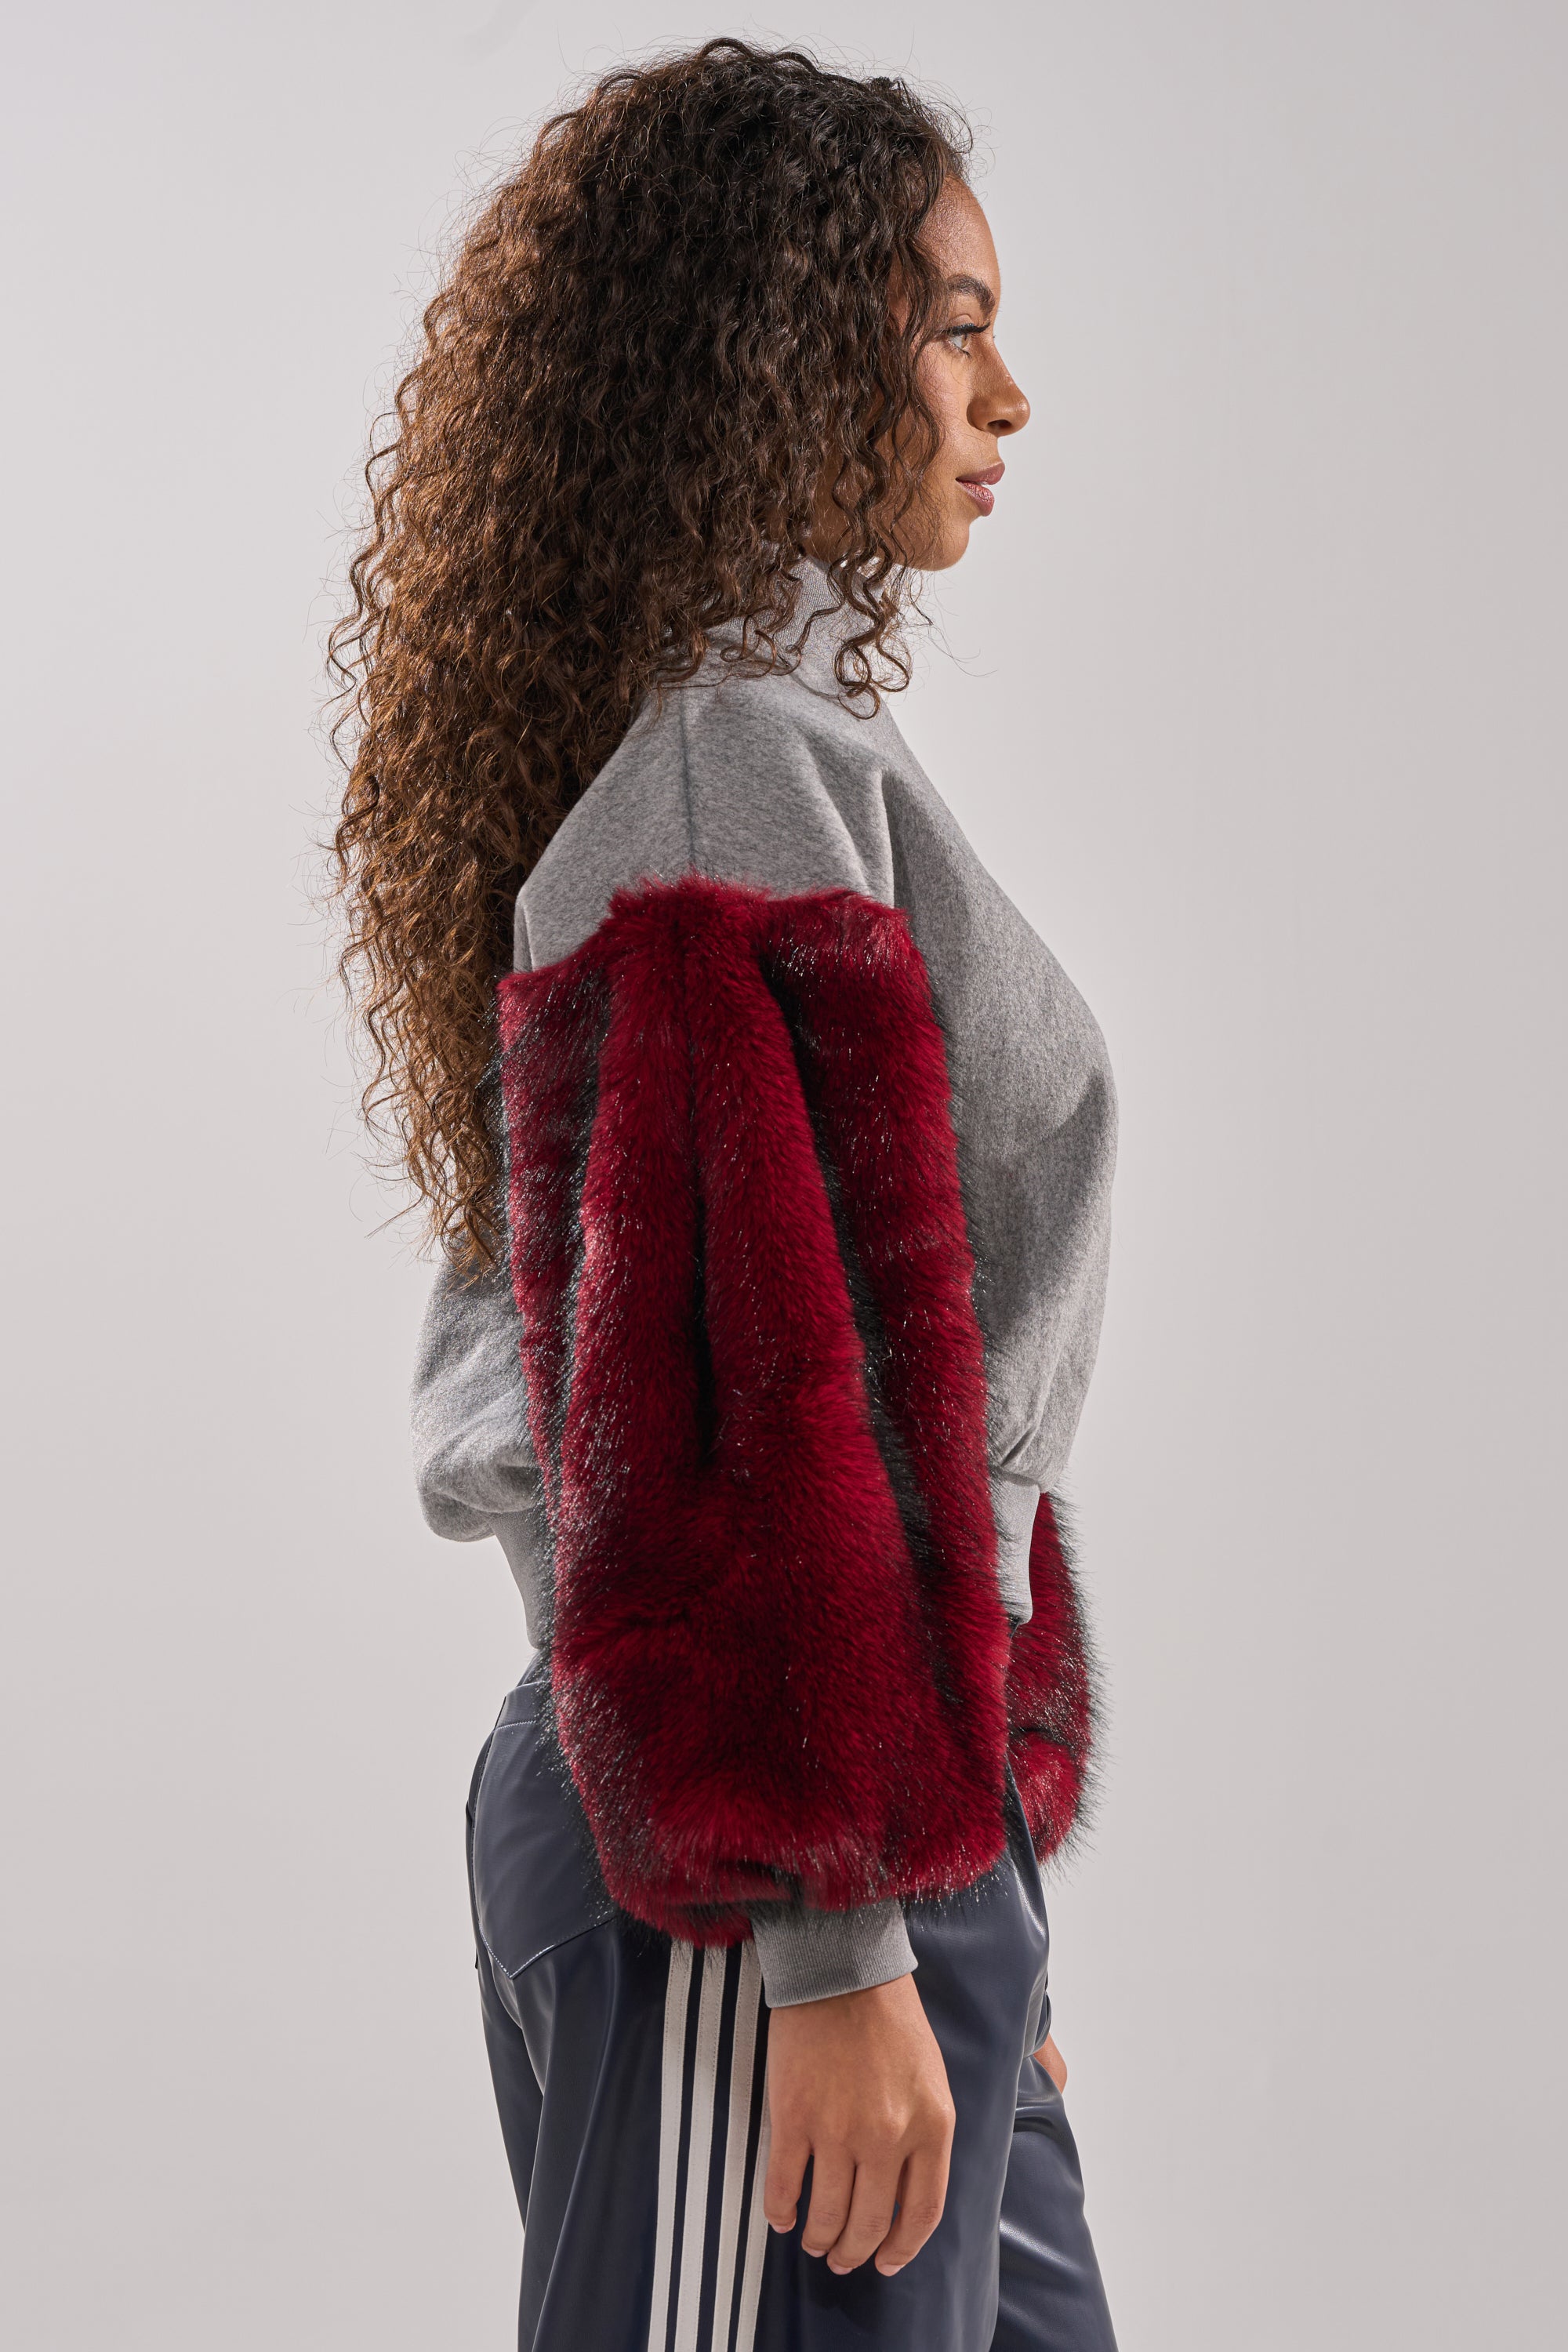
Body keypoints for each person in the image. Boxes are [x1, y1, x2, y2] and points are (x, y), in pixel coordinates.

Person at [331, 38, 1119, 2352]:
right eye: (954, 327)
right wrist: (834, 1937)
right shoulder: (719, 773)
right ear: (784, 348)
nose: (1007, 397)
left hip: (852, 1841)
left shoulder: (765, 758)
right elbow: (723, 1398)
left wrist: (954, 1898)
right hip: (757, 1870)